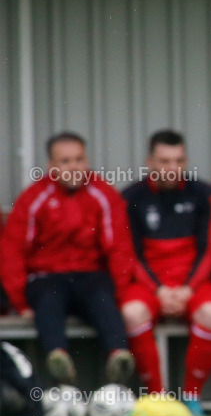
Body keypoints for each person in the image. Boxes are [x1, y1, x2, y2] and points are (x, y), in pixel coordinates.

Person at [0, 132, 136, 387]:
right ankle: (58, 357)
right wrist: (20, 302)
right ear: (51, 166)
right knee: (48, 299)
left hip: (90, 276)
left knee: (102, 297)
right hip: (47, 277)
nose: (74, 167)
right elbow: (12, 251)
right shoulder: (34, 198)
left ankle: (118, 356)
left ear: (87, 161)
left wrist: (118, 293)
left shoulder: (103, 195)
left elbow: (120, 248)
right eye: (65, 161)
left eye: (79, 159)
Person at [120, 130, 211, 416]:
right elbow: (130, 254)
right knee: (132, 313)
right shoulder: (131, 198)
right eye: (164, 161)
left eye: (179, 161)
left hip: (192, 283)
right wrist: (158, 290)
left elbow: (209, 249)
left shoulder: (203, 194)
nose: (172, 168)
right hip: (149, 284)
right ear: (150, 162)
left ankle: (191, 397)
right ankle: (158, 398)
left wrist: (188, 288)